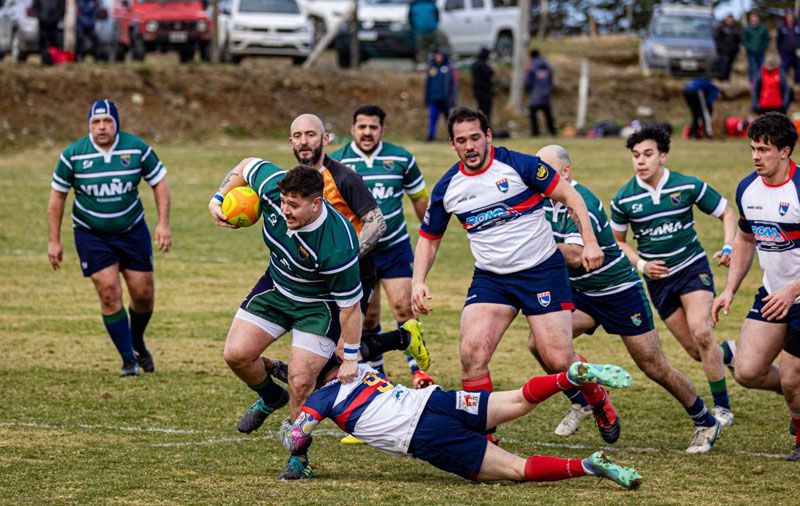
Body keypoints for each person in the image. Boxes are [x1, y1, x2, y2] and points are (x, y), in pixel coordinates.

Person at [412, 107, 624, 445]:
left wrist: (590, 241)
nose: (471, 146)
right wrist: (418, 281)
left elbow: (571, 196)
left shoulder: (519, 165)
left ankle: (595, 398)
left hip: (541, 270)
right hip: (492, 279)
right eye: (462, 140)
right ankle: (485, 443)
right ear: (452, 144)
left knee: (557, 359)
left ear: (489, 137)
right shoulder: (448, 187)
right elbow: (429, 238)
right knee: (472, 354)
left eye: (476, 138)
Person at [538, 145, 724, 453]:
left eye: (545, 172)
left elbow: (574, 255)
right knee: (541, 343)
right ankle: (584, 401)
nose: (539, 179)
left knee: (654, 366)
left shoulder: (580, 202)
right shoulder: (542, 201)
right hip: (581, 294)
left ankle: (705, 420)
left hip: (618, 290)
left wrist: (535, 244)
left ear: (566, 172)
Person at [210, 163, 365, 480]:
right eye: (283, 202)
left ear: (316, 203)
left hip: (317, 307)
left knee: (300, 381)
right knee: (236, 354)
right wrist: (218, 197)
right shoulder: (274, 189)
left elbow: (351, 308)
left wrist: (350, 356)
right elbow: (246, 165)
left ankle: (299, 458)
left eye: (294, 205)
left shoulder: (338, 243)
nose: (285, 210)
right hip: (277, 288)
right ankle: (270, 395)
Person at [281, 359, 641, 489]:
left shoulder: (321, 398)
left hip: (421, 432)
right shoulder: (357, 369)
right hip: (435, 400)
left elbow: (295, 439)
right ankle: (570, 377)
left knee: (513, 469)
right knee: (515, 400)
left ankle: (589, 466)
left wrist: (290, 429)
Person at [610, 124, 738, 430]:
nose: (641, 161)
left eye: (648, 154)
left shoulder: (687, 186)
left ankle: (722, 408)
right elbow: (618, 241)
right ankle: (730, 353)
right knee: (697, 351)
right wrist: (641, 265)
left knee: (702, 332)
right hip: (658, 281)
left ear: (663, 156)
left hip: (692, 268)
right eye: (636, 155)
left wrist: (728, 245)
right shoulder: (624, 199)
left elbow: (726, 213)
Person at [48, 99, 171, 377]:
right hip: (91, 234)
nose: (101, 127)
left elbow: (159, 183)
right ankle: (129, 360)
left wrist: (163, 224)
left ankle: (136, 341)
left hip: (132, 231)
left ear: (116, 123)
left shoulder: (137, 148)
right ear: (89, 125)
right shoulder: (74, 154)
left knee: (143, 295)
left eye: (107, 122)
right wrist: (54, 240)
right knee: (108, 291)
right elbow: (57, 195)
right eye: (96, 122)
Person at [711, 112, 800, 462]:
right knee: (747, 371)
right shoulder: (748, 188)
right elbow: (746, 240)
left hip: (796, 294)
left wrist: (792, 291)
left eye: (764, 149)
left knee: (792, 376)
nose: (756, 156)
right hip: (772, 291)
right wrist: (730, 289)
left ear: (785, 152)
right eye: (753, 149)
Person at [330, 105, 435, 389]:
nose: (367, 132)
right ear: (352, 130)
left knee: (403, 307)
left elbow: (419, 199)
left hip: (394, 246)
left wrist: (431, 232)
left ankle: (418, 370)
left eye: (373, 127)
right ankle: (379, 373)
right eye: (362, 127)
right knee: (368, 317)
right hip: (358, 251)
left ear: (382, 130)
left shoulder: (401, 158)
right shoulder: (336, 161)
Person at [424, 48, 458, 141]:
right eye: (436, 55)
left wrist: (453, 98)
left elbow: (454, 85)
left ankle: (452, 137)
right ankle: (431, 136)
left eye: (440, 55)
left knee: (450, 120)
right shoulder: (431, 68)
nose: (438, 57)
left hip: (445, 99)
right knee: (432, 119)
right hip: (434, 99)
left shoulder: (449, 68)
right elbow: (427, 84)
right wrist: (426, 98)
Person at [525, 49, 556, 137]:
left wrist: (528, 89)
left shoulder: (531, 65)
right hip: (546, 92)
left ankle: (535, 131)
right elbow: (551, 76)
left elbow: (528, 81)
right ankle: (552, 131)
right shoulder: (546, 64)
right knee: (547, 112)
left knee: (533, 113)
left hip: (535, 93)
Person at [408, 0, 446, 67]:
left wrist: (415, 28)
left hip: (419, 31)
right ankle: (447, 59)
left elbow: (410, 20)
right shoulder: (432, 4)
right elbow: (437, 17)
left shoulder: (413, 5)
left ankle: (422, 64)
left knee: (422, 49)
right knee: (442, 45)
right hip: (432, 29)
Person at [32, 0, 65, 65]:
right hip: (43, 23)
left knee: (54, 43)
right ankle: (44, 60)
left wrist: (57, 17)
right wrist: (40, 17)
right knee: (43, 43)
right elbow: (35, 7)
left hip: (54, 23)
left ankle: (52, 60)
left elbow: (62, 7)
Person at [742, 12, 770, 82]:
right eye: (753, 18)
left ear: (758, 19)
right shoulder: (747, 29)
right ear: (750, 19)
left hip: (761, 51)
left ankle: (761, 81)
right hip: (751, 52)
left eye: (756, 18)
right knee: (752, 67)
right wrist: (749, 47)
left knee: (761, 67)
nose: (754, 19)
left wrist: (764, 47)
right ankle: (752, 82)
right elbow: (744, 40)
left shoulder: (763, 28)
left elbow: (767, 39)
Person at [471, 47, 494, 126]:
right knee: (485, 111)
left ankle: (480, 126)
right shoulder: (482, 64)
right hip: (485, 91)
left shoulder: (474, 64)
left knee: (480, 110)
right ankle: (485, 126)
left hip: (477, 91)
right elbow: (489, 73)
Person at [714, 14, 741, 81]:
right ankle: (721, 77)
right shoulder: (721, 28)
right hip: (723, 50)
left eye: (731, 20)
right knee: (724, 64)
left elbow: (738, 39)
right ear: (726, 20)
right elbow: (717, 38)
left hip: (733, 51)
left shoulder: (735, 28)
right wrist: (720, 47)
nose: (730, 21)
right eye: (729, 20)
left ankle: (727, 77)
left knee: (729, 65)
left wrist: (737, 49)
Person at [777, 9, 800, 84]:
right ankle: (782, 86)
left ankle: (797, 85)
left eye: (791, 16)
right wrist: (781, 53)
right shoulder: (781, 28)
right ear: (785, 17)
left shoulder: (798, 27)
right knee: (783, 71)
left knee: (798, 70)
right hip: (785, 54)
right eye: (788, 16)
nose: (790, 18)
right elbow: (779, 41)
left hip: (797, 54)